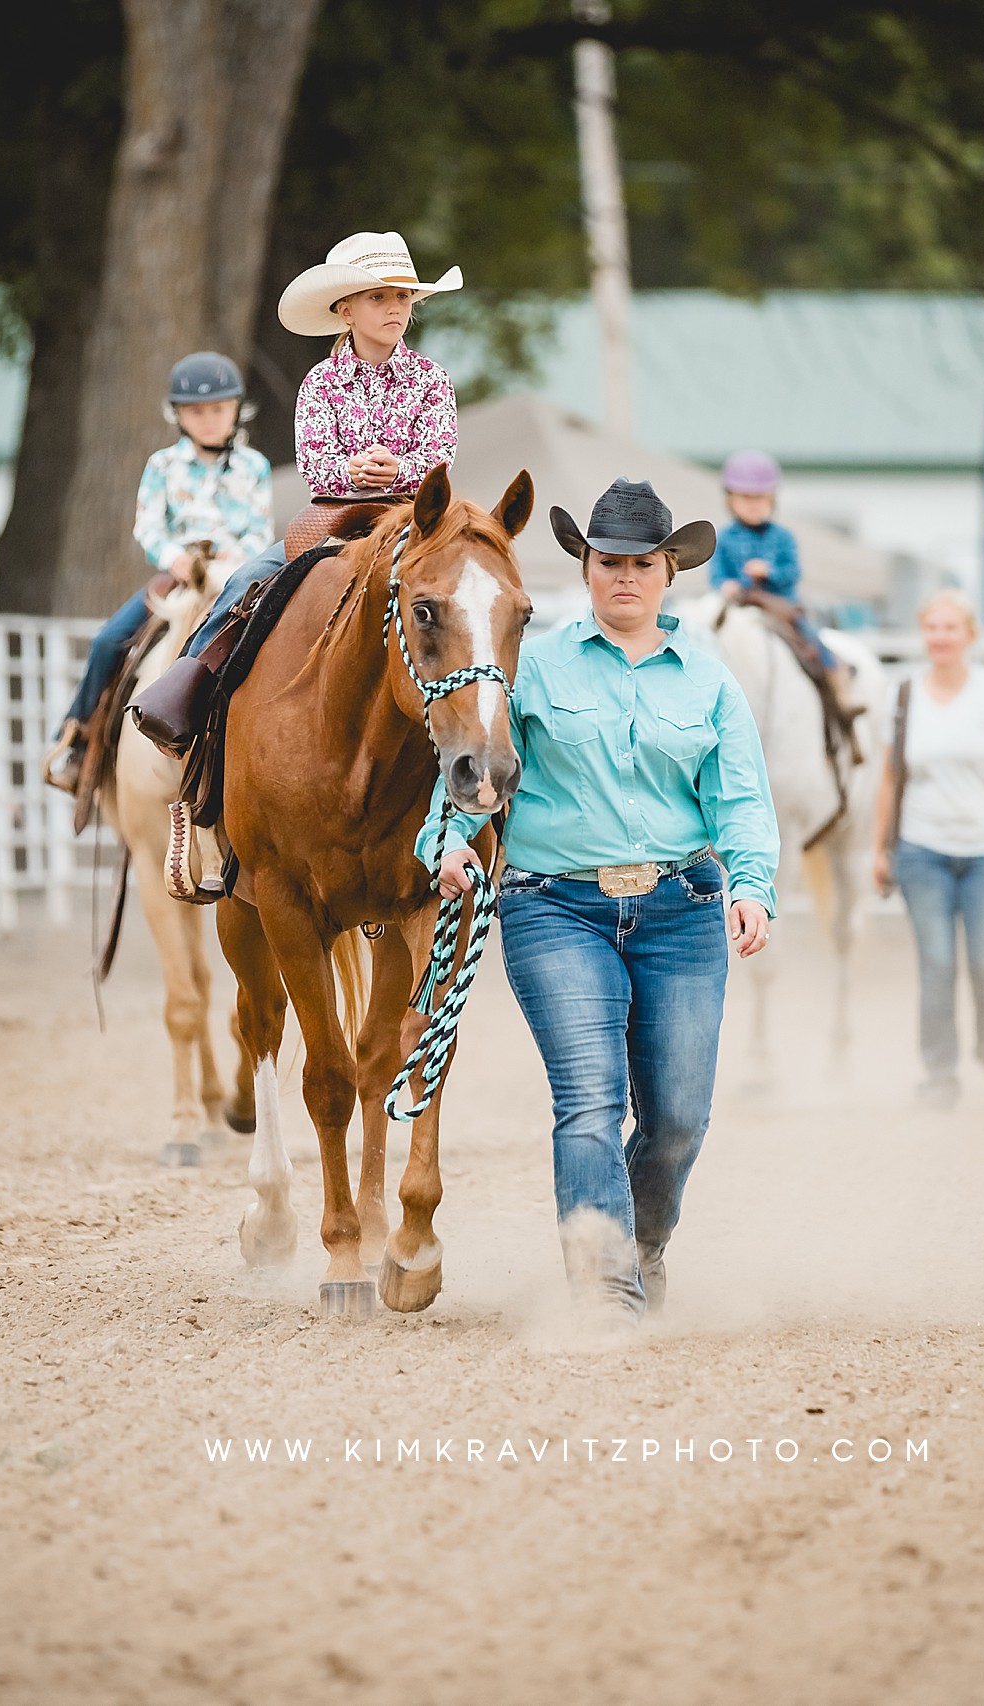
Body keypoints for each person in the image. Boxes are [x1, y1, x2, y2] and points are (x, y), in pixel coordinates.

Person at [421, 477, 780, 1324]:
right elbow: (471, 763)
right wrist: (443, 842)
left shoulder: (708, 680)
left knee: (679, 1119)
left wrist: (753, 886)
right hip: (556, 908)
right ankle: (604, 1286)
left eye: (641, 563)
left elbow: (740, 798)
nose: (625, 576)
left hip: (681, 907)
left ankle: (645, 1242)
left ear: (668, 572)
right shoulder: (531, 666)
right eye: (608, 560)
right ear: (585, 567)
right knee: (588, 1099)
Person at [131, 231, 461, 757]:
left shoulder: (432, 379)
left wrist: (399, 469)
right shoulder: (321, 382)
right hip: (335, 520)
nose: (395, 307)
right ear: (346, 310)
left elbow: (440, 458)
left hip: (410, 519)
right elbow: (315, 468)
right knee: (247, 580)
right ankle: (188, 696)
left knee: (477, 589)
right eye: (379, 296)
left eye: (402, 296)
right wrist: (355, 473)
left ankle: (493, 707)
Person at [42, 352, 272, 791]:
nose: (208, 419)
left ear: (236, 410)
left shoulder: (253, 466)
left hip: (235, 578)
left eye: (218, 409)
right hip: (179, 577)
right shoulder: (162, 465)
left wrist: (232, 559)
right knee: (109, 639)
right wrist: (174, 557)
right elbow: (147, 524)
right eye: (196, 411)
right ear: (178, 415)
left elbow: (259, 531)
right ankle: (77, 736)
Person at [871, 589, 984, 1113]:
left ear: (969, 635)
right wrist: (880, 849)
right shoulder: (902, 696)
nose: (940, 637)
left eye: (951, 628)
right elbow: (889, 779)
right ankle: (940, 1074)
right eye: (933, 628)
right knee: (937, 963)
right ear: (924, 634)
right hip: (923, 851)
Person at [710, 448, 857, 719]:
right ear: (730, 499)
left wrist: (769, 572)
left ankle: (836, 679)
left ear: (772, 499)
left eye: (760, 498)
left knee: (809, 636)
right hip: (740, 603)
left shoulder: (783, 537)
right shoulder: (724, 537)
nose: (753, 504)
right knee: (708, 635)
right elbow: (717, 573)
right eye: (745, 498)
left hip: (780, 604)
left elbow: (793, 572)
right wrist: (726, 585)